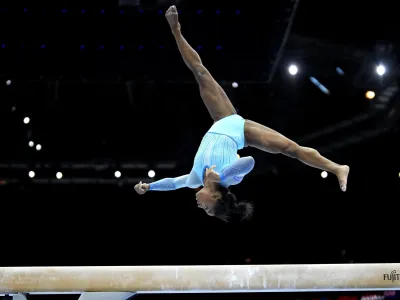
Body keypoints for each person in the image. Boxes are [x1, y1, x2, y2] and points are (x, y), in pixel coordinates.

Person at [135, 5, 350, 221]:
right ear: (217, 196)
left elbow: (173, 183)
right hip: (240, 131)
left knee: (200, 72)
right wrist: (221, 176)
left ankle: (175, 29)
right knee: (291, 149)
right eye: (208, 209)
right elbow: (248, 162)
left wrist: (149, 186)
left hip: (221, 119)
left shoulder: (194, 179)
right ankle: (337, 168)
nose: (201, 208)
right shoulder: (232, 180)